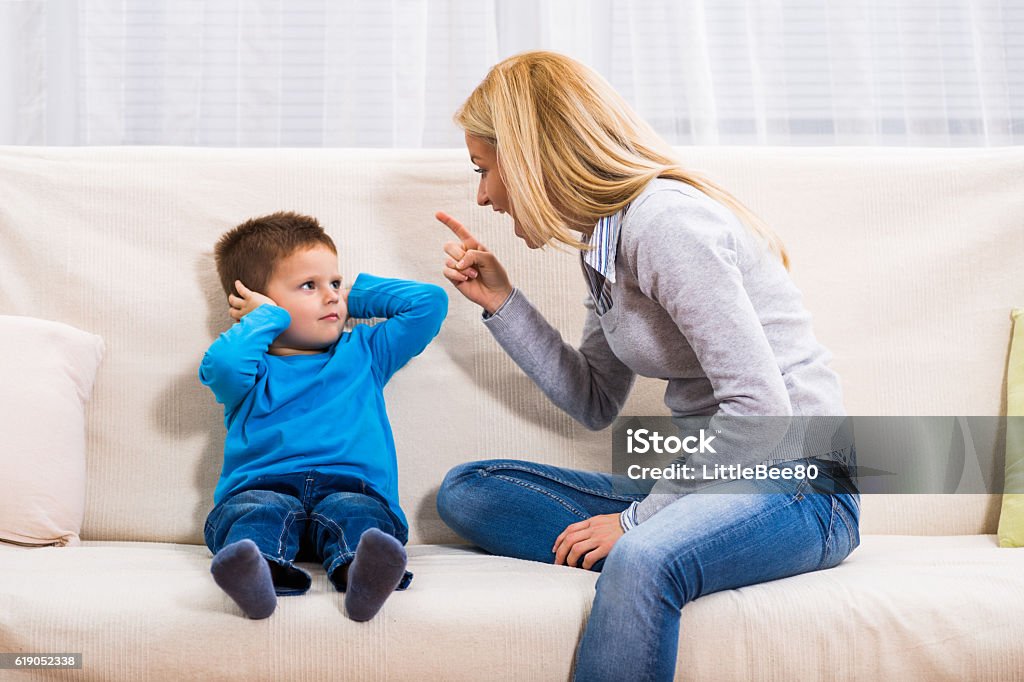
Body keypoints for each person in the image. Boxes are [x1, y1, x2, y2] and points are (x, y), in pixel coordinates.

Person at [433, 51, 860, 681]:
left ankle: (669, 550)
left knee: (640, 557)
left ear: (528, 160)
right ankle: (692, 543)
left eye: (485, 169)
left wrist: (637, 523)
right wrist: (502, 302)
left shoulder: (665, 225)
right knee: (470, 491)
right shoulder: (603, 240)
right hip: (707, 479)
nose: (484, 195)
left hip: (797, 485)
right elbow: (594, 398)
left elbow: (761, 411)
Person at [200, 211, 447, 621]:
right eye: (308, 286)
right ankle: (257, 578)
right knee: (256, 512)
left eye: (334, 282)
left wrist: (352, 296)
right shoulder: (252, 368)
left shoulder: (365, 352)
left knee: (357, 514)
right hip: (263, 488)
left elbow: (429, 304)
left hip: (353, 490)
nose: (331, 295)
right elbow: (221, 365)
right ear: (256, 302)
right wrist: (266, 319)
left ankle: (363, 577)